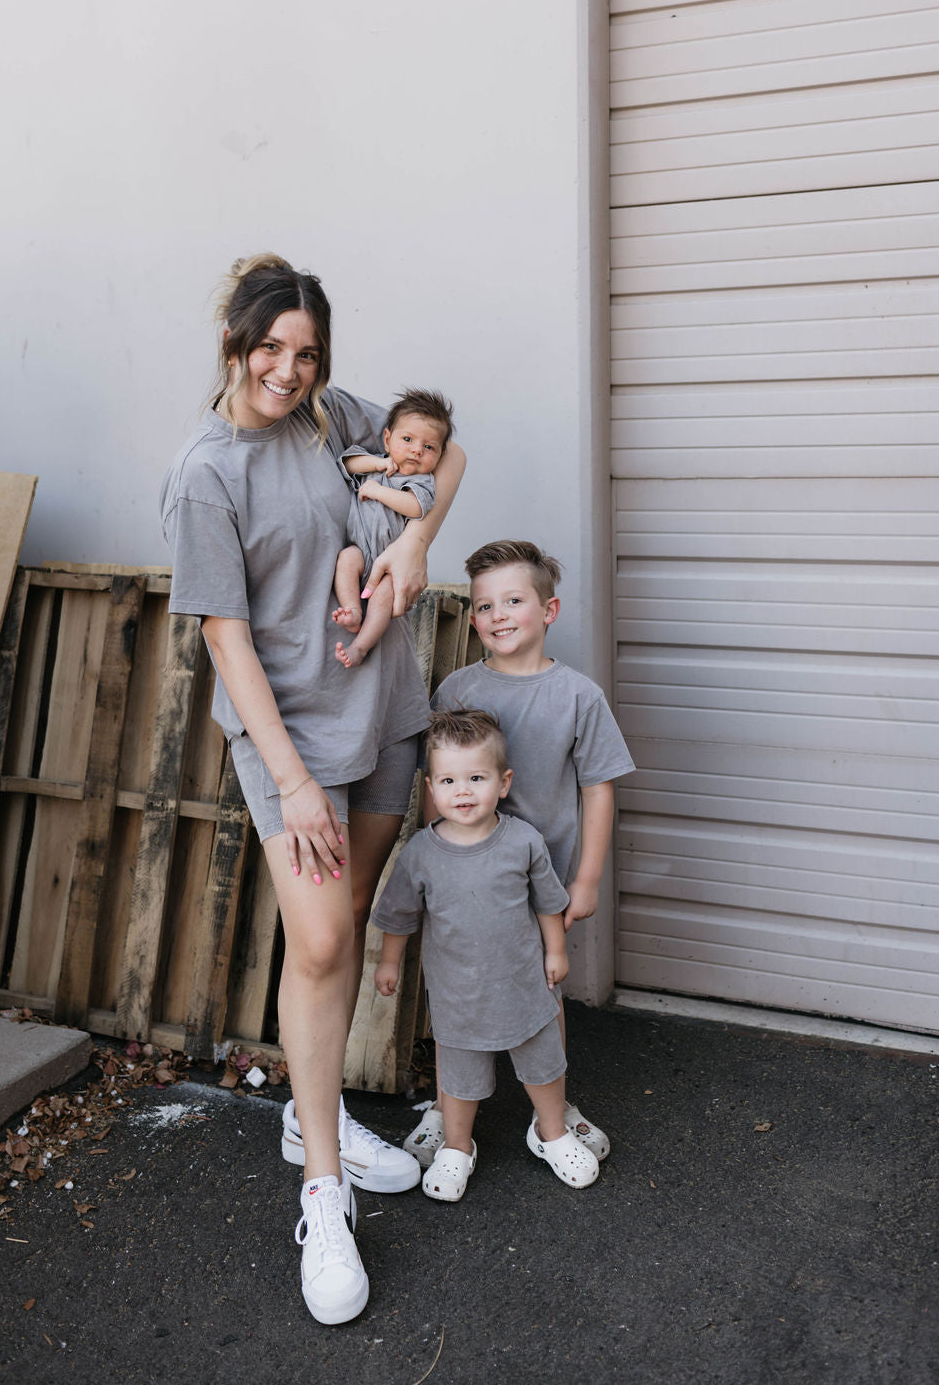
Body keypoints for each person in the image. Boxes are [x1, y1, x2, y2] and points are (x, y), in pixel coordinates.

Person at [160, 254, 465, 1326]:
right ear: (233, 343)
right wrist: (288, 778)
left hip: (379, 705)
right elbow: (222, 634)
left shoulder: (333, 416)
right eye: (270, 348)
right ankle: (321, 1191)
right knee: (328, 940)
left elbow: (448, 448)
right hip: (288, 734)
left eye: (307, 351)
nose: (288, 371)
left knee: (331, 926)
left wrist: (418, 538)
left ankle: (308, 1107)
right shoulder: (207, 472)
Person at [403, 540, 634, 1170]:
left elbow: (598, 786)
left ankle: (550, 1114)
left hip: (540, 885)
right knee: (453, 990)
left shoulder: (578, 695)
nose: (498, 614)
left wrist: (585, 878)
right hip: (460, 882)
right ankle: (449, 1110)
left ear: (549, 609)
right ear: (473, 618)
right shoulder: (457, 688)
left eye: (513, 600)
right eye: (484, 605)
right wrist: (432, 865)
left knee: (543, 992)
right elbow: (438, 782)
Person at [372, 709, 602, 1201]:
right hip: (459, 996)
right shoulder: (421, 854)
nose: (463, 791)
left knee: (544, 1064)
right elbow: (399, 914)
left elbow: (547, 903)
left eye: (477, 778)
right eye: (449, 780)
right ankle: (458, 1147)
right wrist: (388, 961)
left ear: (503, 782)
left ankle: (552, 1132)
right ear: (431, 787)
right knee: (458, 1077)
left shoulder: (522, 841)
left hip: (523, 985)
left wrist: (556, 951)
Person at [333, 389, 455, 669]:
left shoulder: (422, 483)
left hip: (389, 565)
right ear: (388, 439)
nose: (416, 450)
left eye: (429, 447)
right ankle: (351, 610)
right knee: (346, 560)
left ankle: (361, 646)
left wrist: (376, 491)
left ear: (439, 456)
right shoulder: (374, 463)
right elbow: (348, 464)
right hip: (360, 550)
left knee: (385, 597)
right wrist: (378, 463)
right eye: (408, 439)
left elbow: (414, 508)